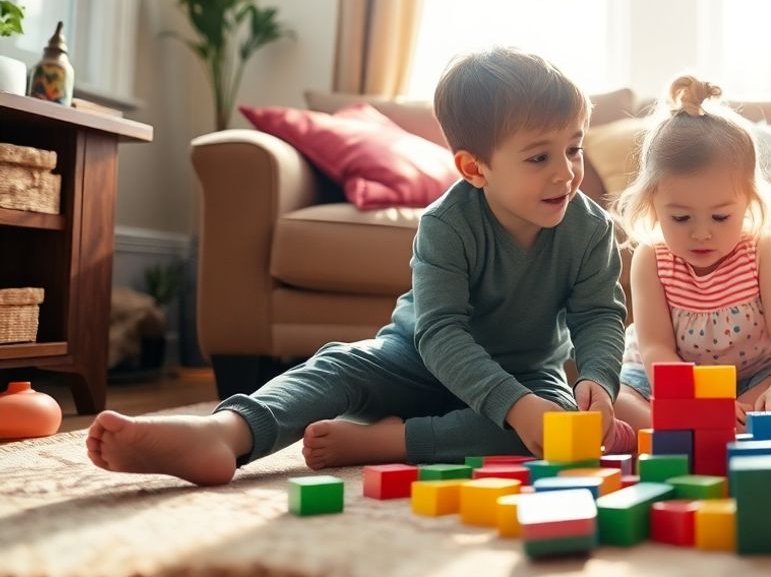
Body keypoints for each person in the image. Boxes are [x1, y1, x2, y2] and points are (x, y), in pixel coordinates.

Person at [87, 48, 636, 486]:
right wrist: (514, 407)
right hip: (417, 358)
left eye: (574, 148)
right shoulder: (447, 224)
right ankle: (224, 434)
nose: (566, 173)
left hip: (527, 371)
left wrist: (597, 381)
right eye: (540, 157)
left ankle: (388, 441)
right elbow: (440, 333)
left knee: (555, 430)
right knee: (336, 367)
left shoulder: (588, 228)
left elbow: (599, 314)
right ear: (474, 168)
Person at [611, 76, 771, 431]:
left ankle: (721, 423)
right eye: (680, 217)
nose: (701, 233)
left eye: (721, 217)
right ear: (651, 205)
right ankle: (685, 426)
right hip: (668, 382)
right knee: (617, 401)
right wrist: (694, 400)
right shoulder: (651, 258)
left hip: (753, 376)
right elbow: (657, 347)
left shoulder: (763, 249)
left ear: (748, 203)